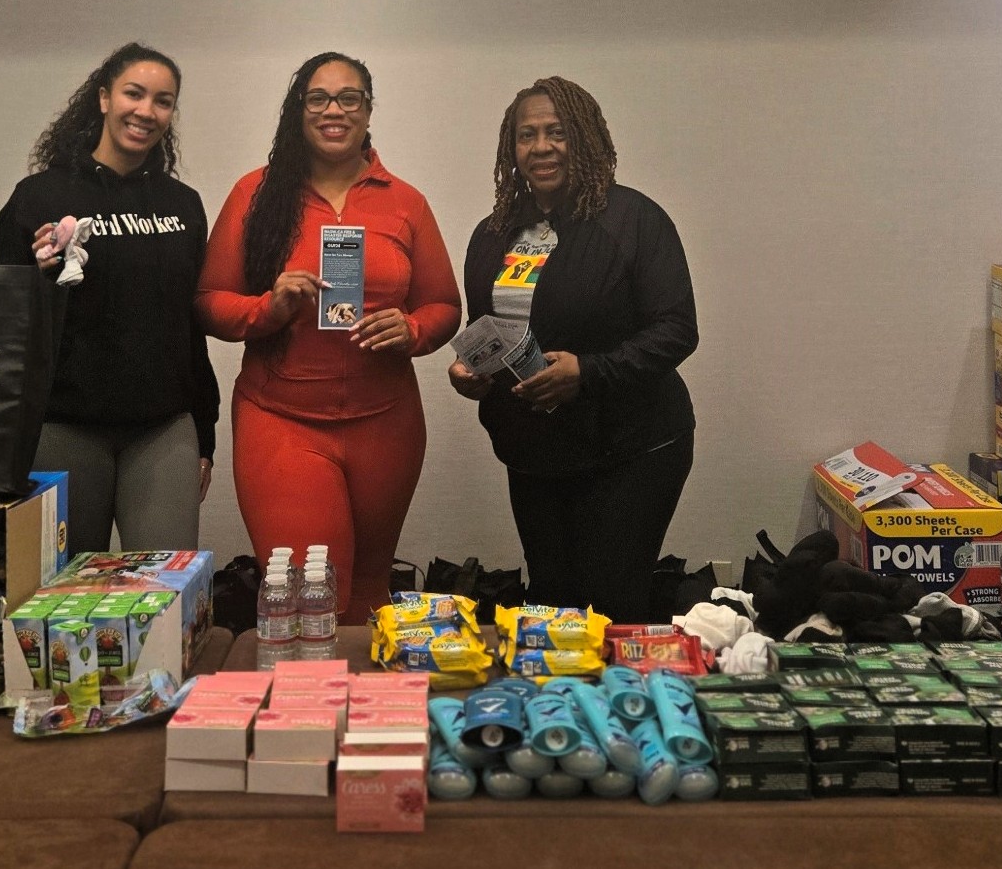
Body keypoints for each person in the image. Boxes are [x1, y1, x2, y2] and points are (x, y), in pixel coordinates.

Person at [197, 52, 461, 622]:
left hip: (386, 422)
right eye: (318, 98)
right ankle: (308, 707)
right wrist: (270, 308)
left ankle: (364, 708)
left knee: (369, 592)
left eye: (349, 98)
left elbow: (445, 306)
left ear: (368, 111)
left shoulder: (404, 200)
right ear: (299, 110)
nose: (333, 110)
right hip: (283, 421)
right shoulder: (255, 193)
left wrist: (412, 329)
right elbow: (210, 303)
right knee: (309, 595)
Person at [449, 76, 697, 623]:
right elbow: (488, 327)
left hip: (631, 450)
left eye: (557, 133)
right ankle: (559, 709)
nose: (541, 147)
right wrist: (473, 373)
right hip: (535, 453)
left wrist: (588, 371)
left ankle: (623, 707)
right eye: (527, 135)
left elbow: (678, 328)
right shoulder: (494, 233)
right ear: (510, 149)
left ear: (583, 139)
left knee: (610, 605)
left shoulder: (635, 221)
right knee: (551, 606)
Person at [0, 43, 219, 555]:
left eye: (163, 101)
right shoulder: (40, 196)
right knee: (60, 602)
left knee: (167, 595)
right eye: (133, 94)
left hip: (164, 428)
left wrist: (205, 428)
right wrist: (38, 273)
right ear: (102, 99)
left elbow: (190, 323)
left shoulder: (184, 206)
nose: (146, 111)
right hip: (63, 426)